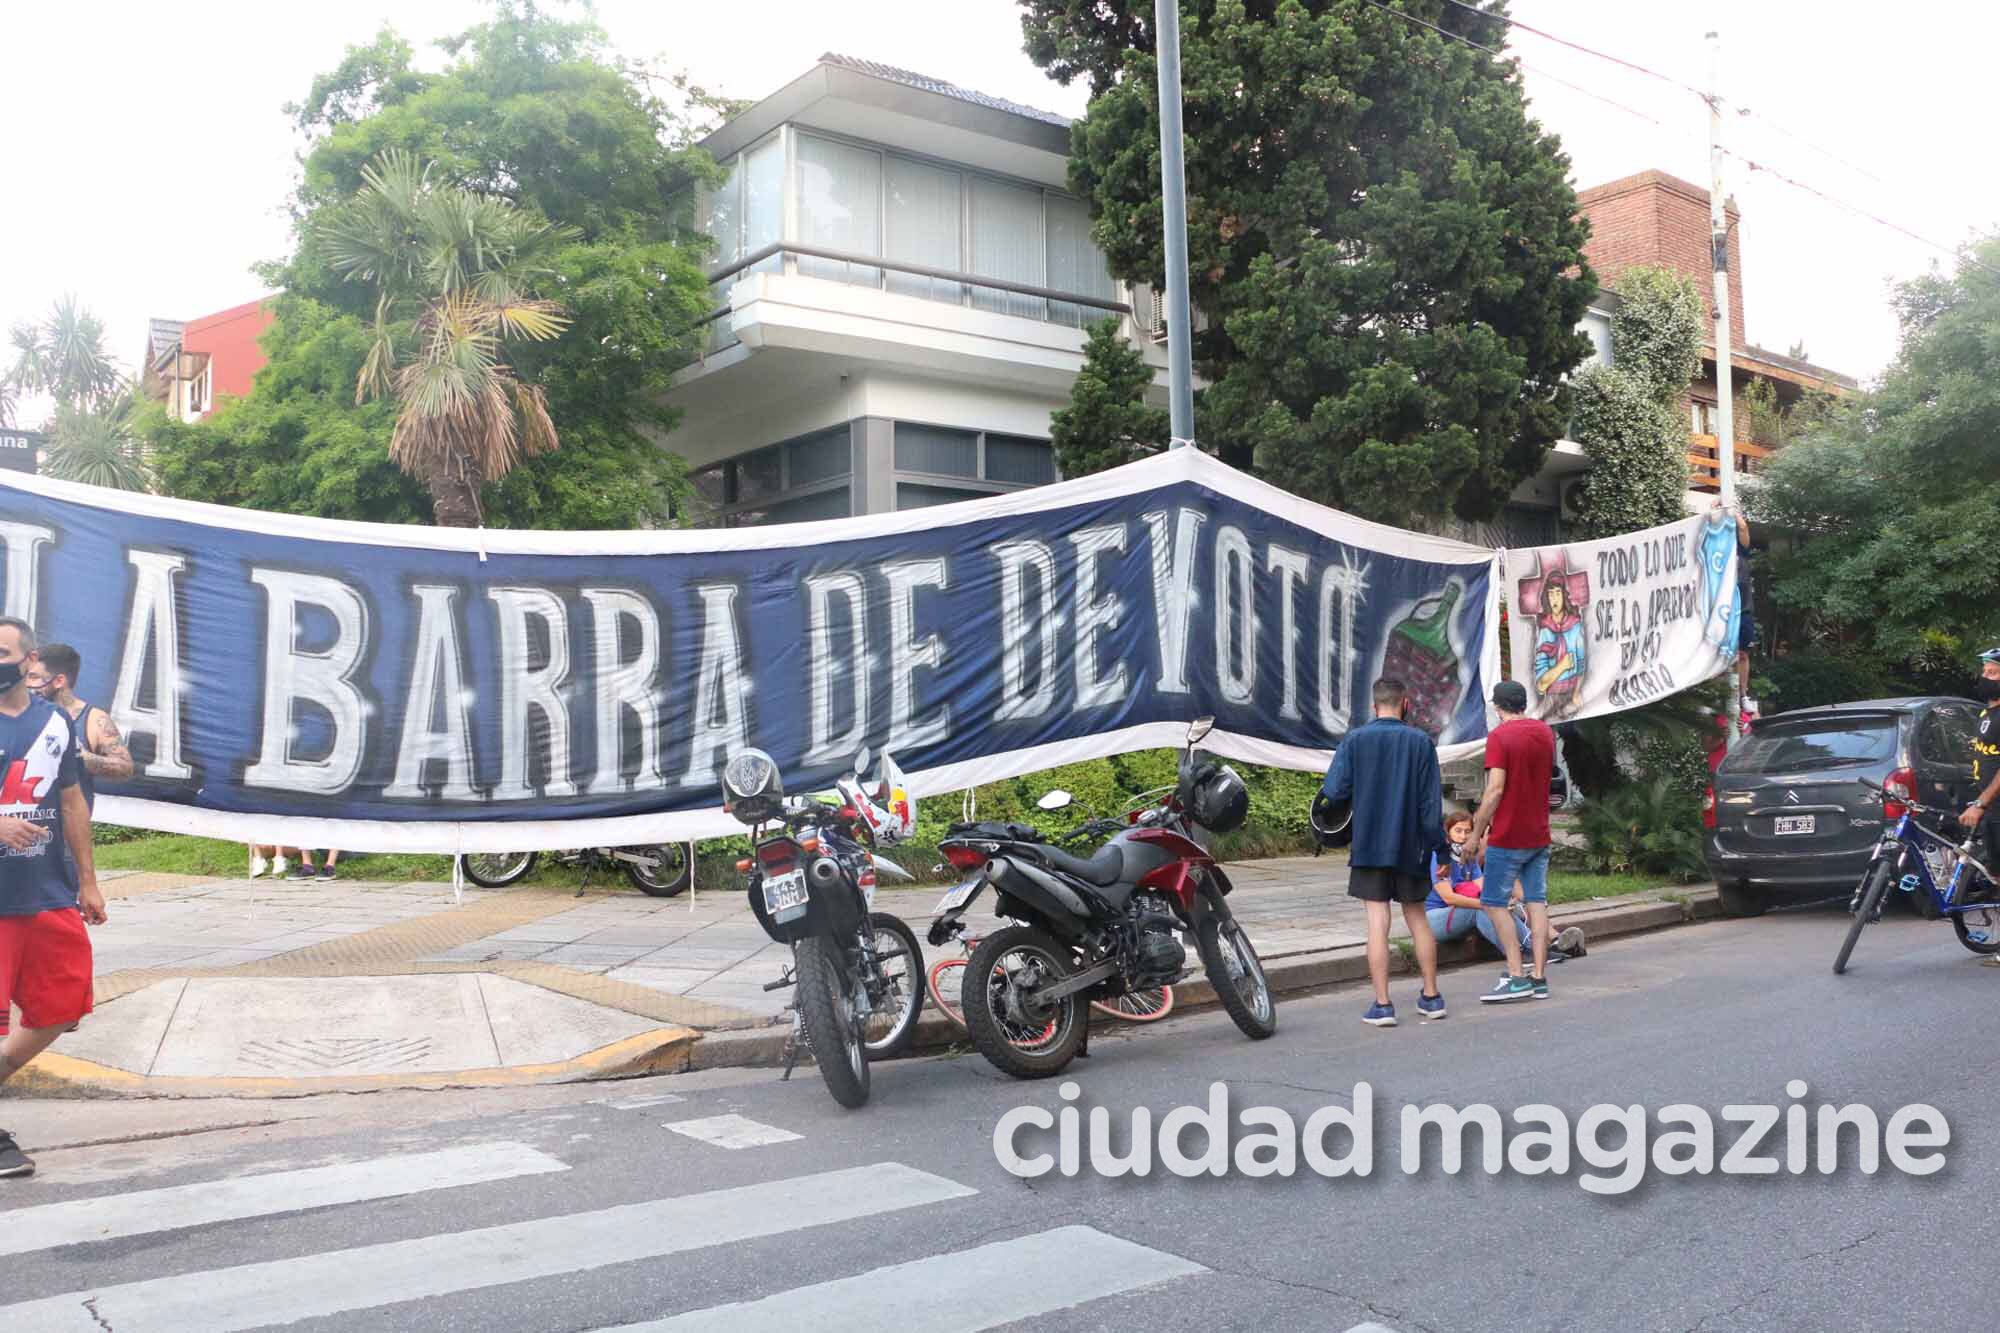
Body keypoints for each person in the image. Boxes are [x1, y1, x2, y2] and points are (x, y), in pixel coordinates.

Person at [0, 617, 108, 1179]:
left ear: (28, 658)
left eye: (2, 651)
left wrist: (87, 880)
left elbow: (72, 804)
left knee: (64, 1005)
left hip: (46, 893)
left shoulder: (55, 724)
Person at [1321, 676, 1446, 1027]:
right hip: (1413, 847)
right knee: (1417, 918)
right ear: (1405, 703)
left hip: (1370, 845)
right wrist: (1442, 849)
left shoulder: (1355, 740)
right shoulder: (1421, 742)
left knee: (1377, 922)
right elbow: (1429, 805)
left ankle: (1383, 1004)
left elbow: (1334, 789)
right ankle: (1432, 997)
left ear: (1374, 707)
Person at [1468, 680, 1557, 1004]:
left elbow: (1495, 790)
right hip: (1539, 831)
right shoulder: (1545, 733)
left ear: (1497, 706)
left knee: (1493, 903)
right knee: (1536, 901)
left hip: (1508, 834)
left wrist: (1477, 834)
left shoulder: (1500, 737)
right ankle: (1539, 977)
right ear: (1523, 703)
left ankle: (1516, 976)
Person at [1428, 811, 1586, 963]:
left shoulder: (1469, 858)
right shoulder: (1439, 858)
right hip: (1435, 919)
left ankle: (1544, 946)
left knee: (1499, 905)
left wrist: (1506, 901)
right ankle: (1522, 953)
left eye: (1467, 831)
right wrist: (1487, 903)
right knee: (1482, 908)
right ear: (1448, 833)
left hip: (1461, 916)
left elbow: (1483, 885)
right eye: (1458, 831)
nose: (1463, 836)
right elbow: (1448, 898)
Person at [32, 643, 134, 810]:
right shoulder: (19, 712)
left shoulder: (94, 719)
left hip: (69, 826)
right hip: (19, 826)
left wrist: (80, 757)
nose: (28, 684)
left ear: (58, 681)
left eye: (35, 677)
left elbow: (125, 768)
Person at [1958, 647, 2000, 871]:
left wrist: (1980, 803)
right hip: (1992, 809)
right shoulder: (1987, 713)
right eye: (1985, 672)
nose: (1985, 678)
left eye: (1992, 673)